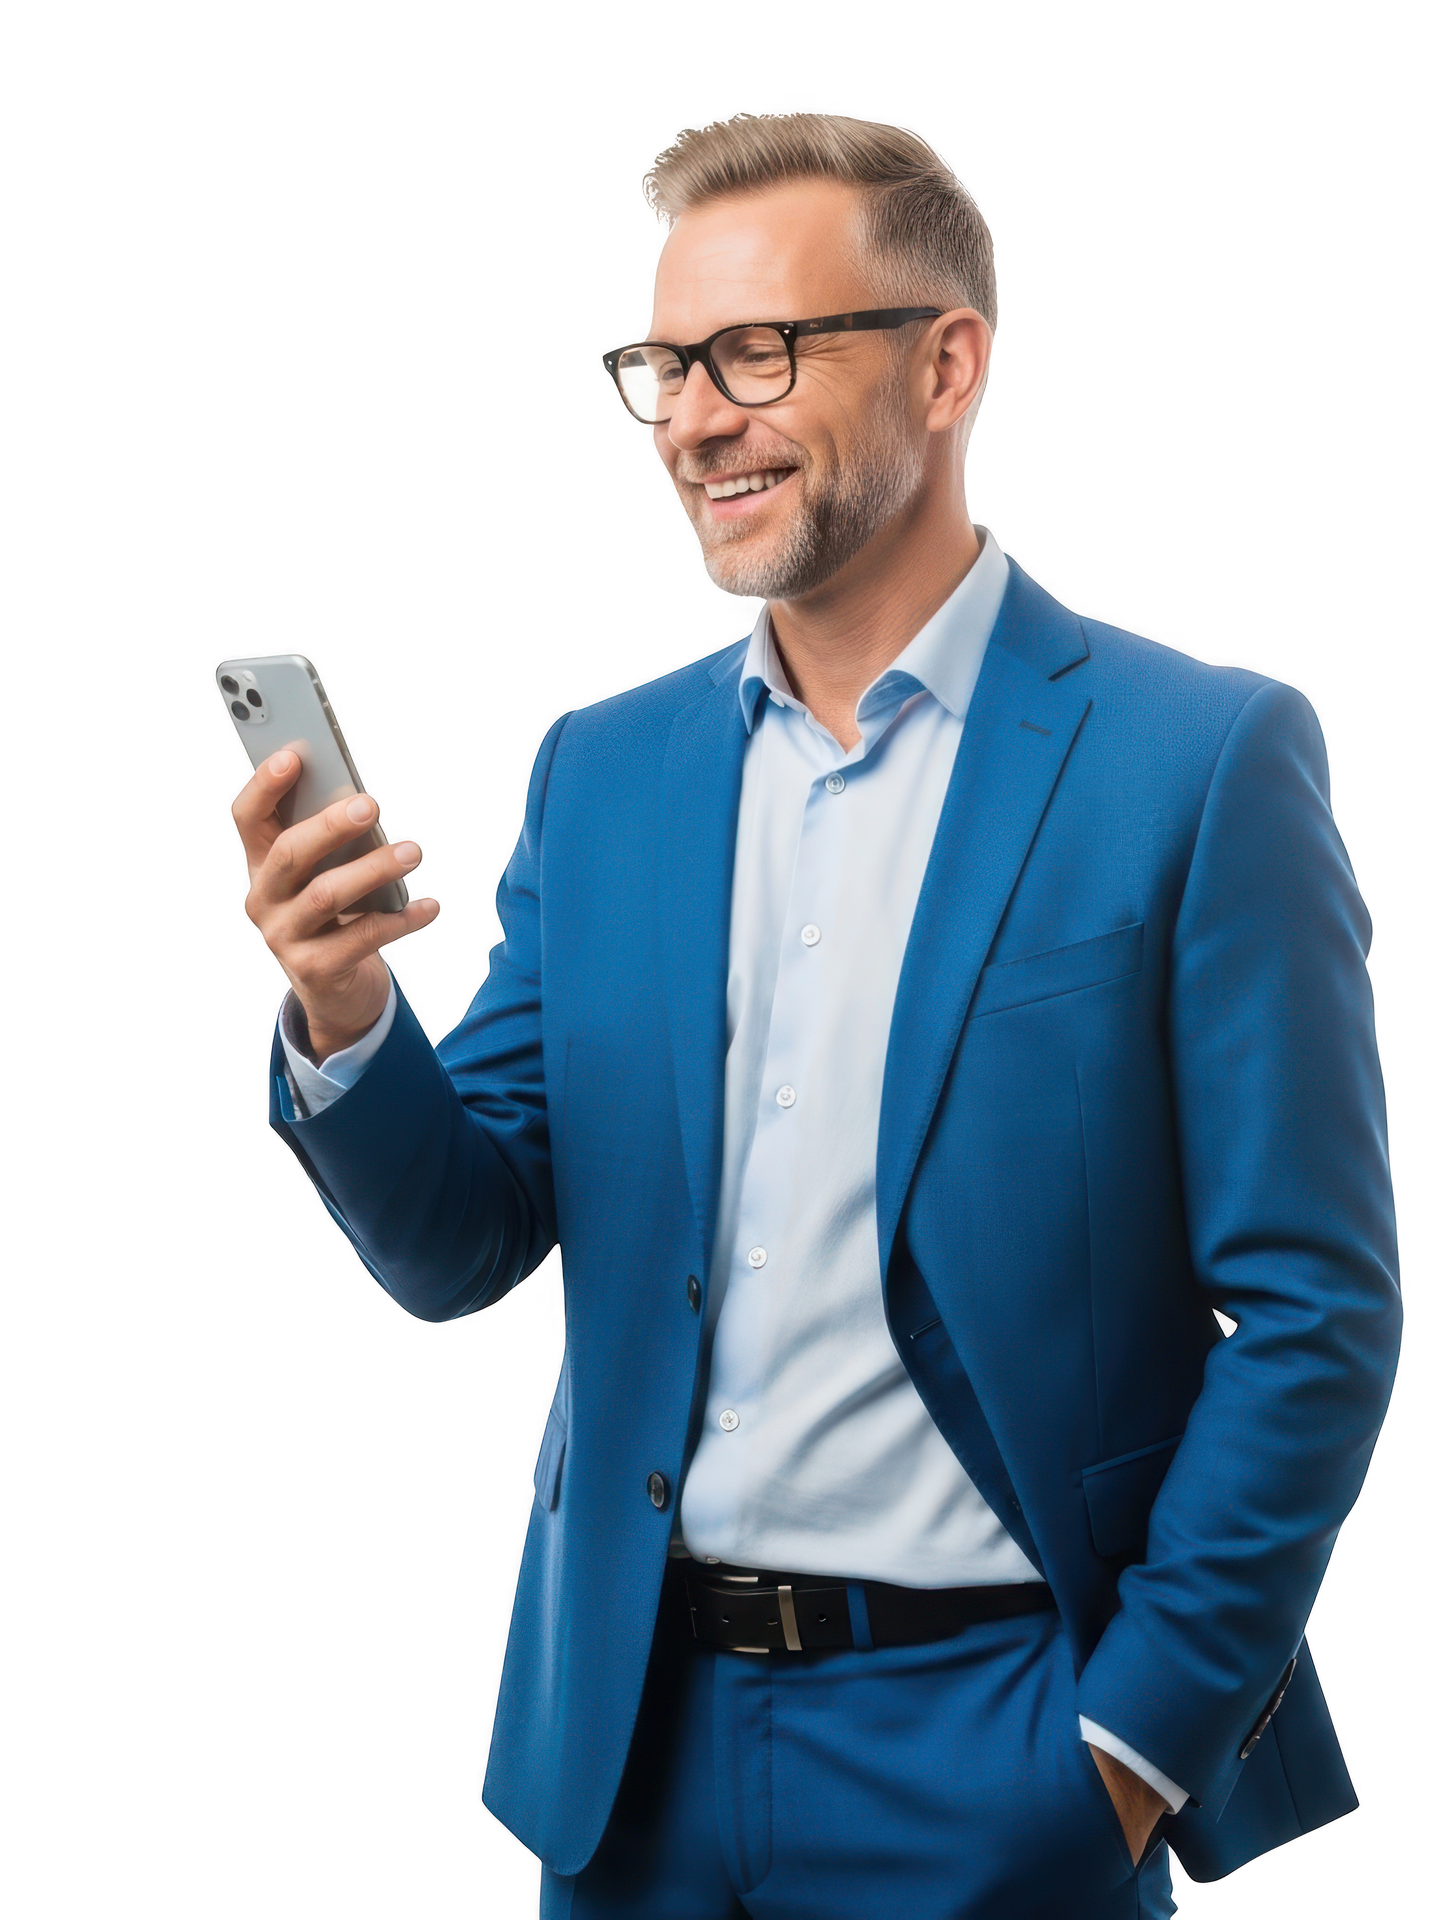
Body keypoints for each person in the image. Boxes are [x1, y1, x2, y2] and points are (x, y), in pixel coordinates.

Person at [233, 113, 1401, 1918]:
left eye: (757, 352)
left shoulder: (1202, 758)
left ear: (950, 365)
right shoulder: (602, 772)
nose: (694, 418)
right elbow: (466, 1242)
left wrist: (1130, 1749)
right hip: (627, 1758)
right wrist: (345, 1010)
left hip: (1001, 1738)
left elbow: (1316, 1309)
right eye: (663, 366)